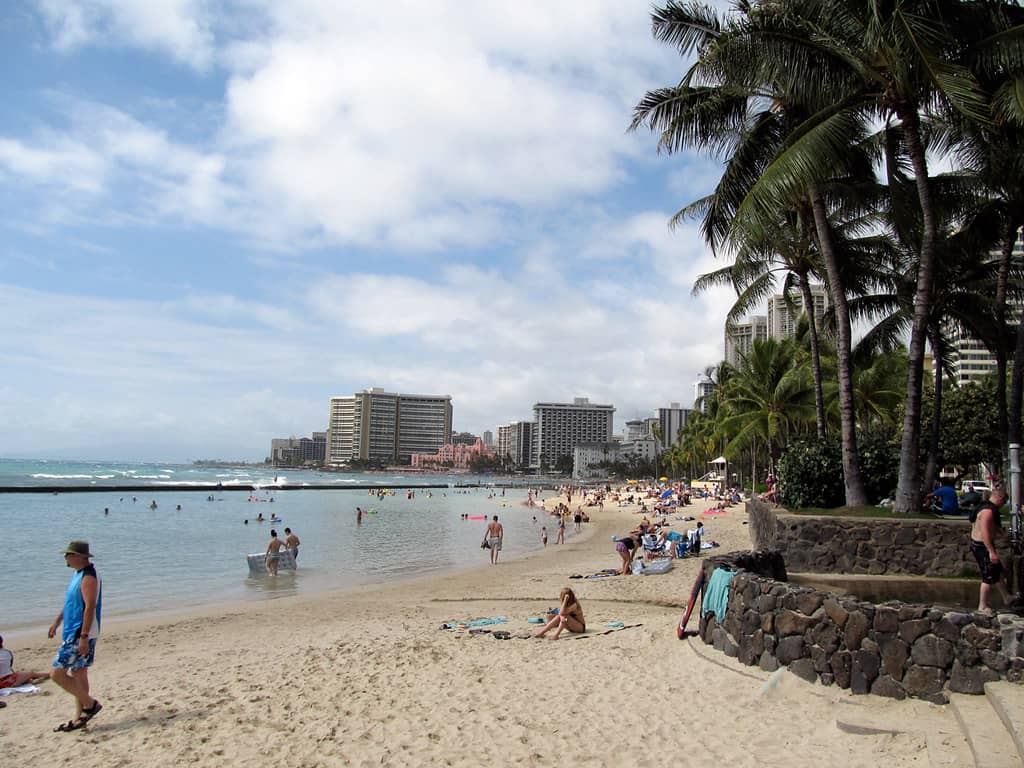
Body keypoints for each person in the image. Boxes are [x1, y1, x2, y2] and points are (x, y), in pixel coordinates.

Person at [48, 541, 103, 732]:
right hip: (72, 631)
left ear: (79, 557)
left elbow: (90, 607)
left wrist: (84, 637)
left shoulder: (89, 577)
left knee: (56, 674)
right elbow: (71, 602)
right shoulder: (77, 574)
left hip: (80, 633)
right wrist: (57, 621)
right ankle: (80, 718)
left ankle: (90, 705)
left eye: (69, 555)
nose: (66, 558)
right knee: (79, 675)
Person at [970, 487, 1013, 614]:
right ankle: (982, 606)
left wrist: (1003, 535)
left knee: (997, 571)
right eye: (1004, 502)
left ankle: (1007, 597)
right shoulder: (988, 511)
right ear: (999, 498)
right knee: (987, 577)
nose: (1003, 505)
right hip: (981, 546)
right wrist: (991, 551)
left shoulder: (983, 506)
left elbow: (992, 527)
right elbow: (984, 533)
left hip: (981, 544)